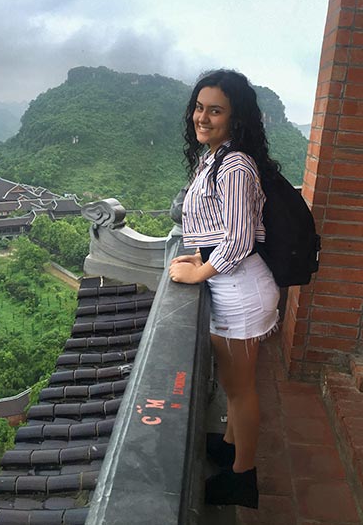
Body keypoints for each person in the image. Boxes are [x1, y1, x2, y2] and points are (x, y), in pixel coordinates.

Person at [168, 69, 281, 509]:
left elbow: (238, 237)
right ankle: (232, 448)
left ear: (235, 118)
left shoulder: (233, 164)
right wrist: (201, 257)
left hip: (241, 293)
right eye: (199, 107)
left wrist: (200, 272)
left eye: (215, 110)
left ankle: (243, 476)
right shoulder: (214, 158)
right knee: (236, 386)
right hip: (230, 283)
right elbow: (219, 229)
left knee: (240, 389)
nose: (203, 117)